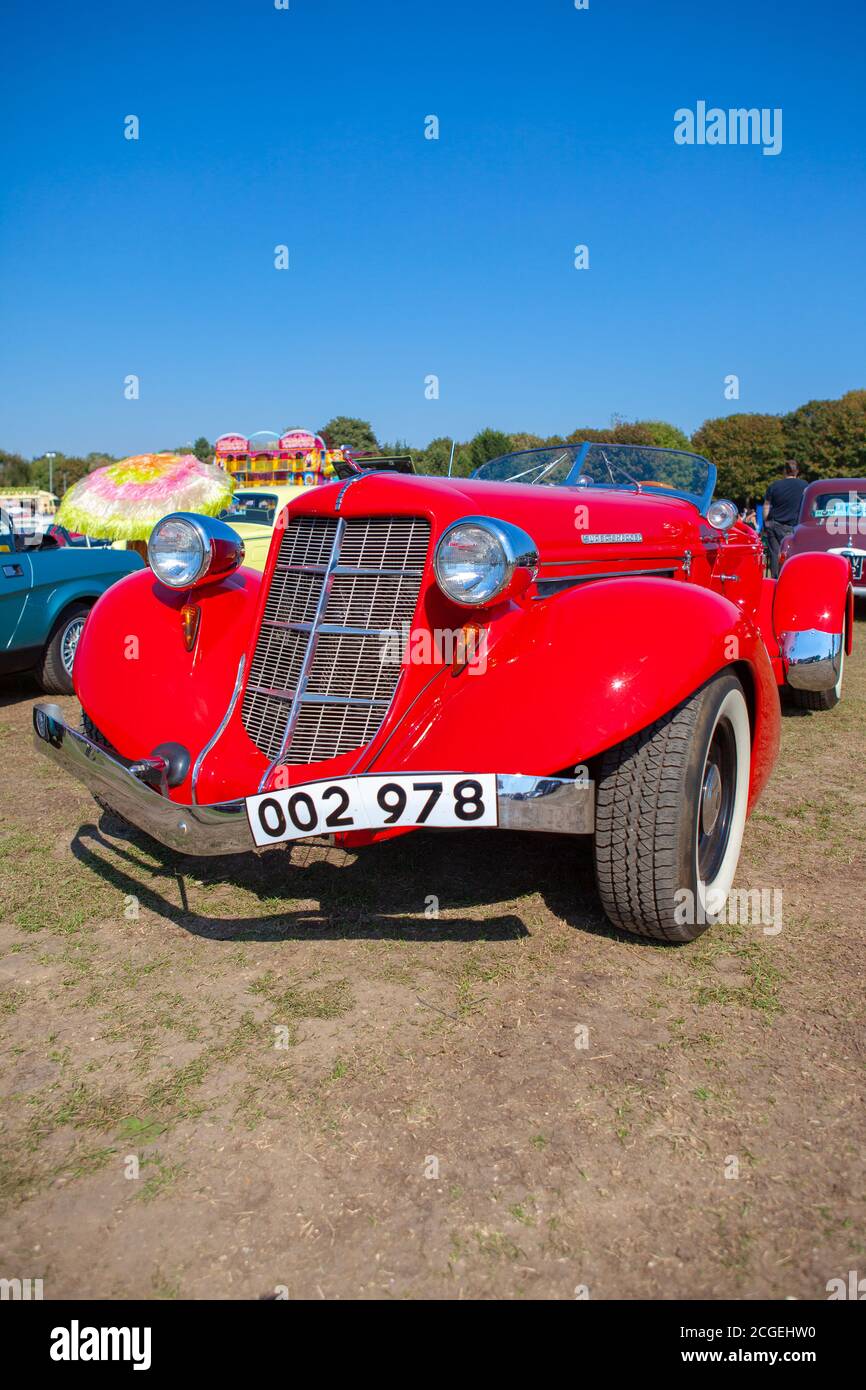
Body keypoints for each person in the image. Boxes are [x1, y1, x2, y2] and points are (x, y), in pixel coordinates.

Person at [763, 461, 808, 578]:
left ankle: (775, 580)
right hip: (792, 526)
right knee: (791, 555)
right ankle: (789, 579)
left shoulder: (774, 486)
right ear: (797, 471)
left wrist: (766, 522)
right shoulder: (805, 486)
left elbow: (766, 506)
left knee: (774, 554)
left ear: (784, 471)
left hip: (774, 524)